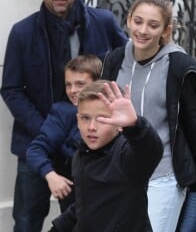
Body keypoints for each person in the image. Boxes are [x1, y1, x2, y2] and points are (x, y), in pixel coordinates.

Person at [0, 0, 127, 232]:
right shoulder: (22, 32)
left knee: (85, 221)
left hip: (91, 144)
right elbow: (11, 90)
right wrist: (47, 130)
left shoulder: (103, 21)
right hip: (37, 143)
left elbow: (130, 64)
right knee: (26, 221)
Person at [101, 0, 196, 232]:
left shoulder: (178, 66)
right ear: (128, 20)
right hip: (120, 173)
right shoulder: (114, 60)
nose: (143, 30)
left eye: (153, 25)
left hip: (163, 176)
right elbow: (101, 116)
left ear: (166, 30)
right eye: (138, 21)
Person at [48, 80, 163, 232]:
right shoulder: (80, 155)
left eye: (102, 119)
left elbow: (150, 151)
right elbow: (84, 204)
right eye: (85, 118)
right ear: (77, 120)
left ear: (118, 122)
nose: (92, 127)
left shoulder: (126, 154)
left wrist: (135, 126)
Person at [26, 54, 102, 213]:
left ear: (98, 82)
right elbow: (35, 150)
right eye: (68, 84)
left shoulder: (113, 110)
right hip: (75, 198)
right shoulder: (63, 112)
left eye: (80, 84)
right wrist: (50, 175)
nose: (73, 90)